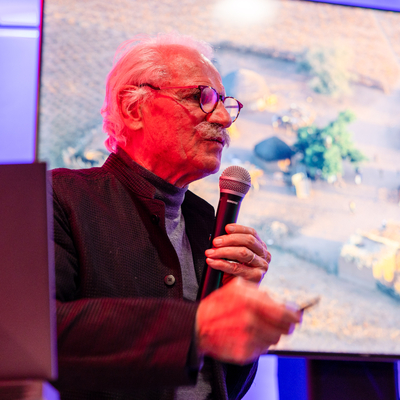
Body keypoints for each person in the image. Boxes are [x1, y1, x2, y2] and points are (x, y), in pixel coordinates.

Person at [52, 33, 301, 400]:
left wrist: (238, 310)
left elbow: (218, 386)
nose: (223, 119)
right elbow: (40, 332)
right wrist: (197, 326)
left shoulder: (204, 221)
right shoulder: (59, 197)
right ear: (133, 108)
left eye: (225, 103)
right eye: (201, 97)